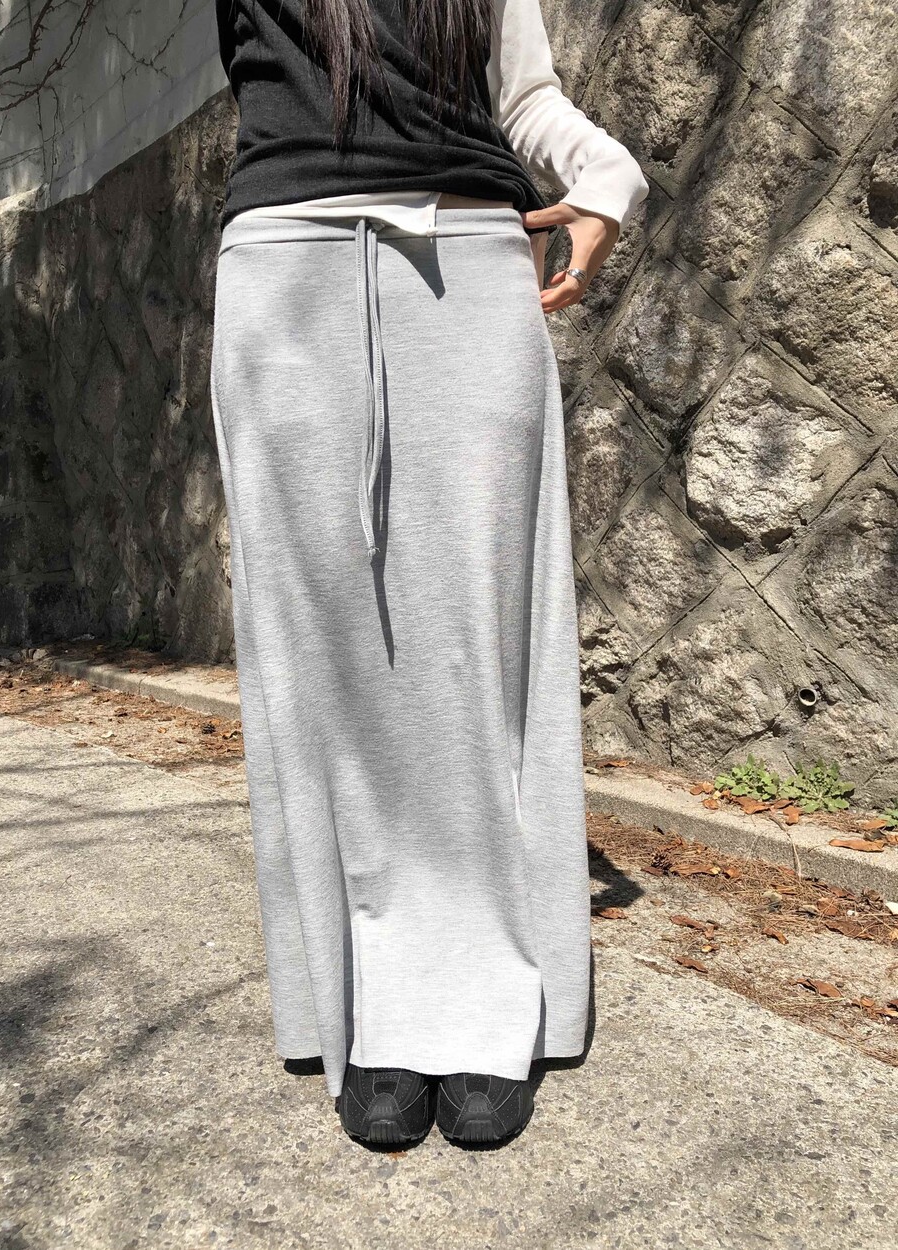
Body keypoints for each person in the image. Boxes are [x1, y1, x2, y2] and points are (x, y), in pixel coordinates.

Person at [210, 0, 649, 1148]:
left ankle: (481, 987)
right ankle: (368, 1004)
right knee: (327, 652)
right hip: (286, 267)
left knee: (476, 644)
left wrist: (605, 174)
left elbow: (522, 94)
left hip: (468, 262)